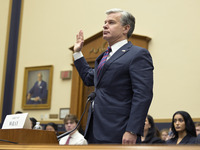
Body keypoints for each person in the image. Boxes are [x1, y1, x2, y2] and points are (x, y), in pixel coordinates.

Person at [73, 8, 154, 144]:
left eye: (111, 22)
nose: (105, 25)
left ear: (125, 28)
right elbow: (88, 78)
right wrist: (77, 53)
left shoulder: (137, 54)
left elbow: (143, 94)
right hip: (95, 129)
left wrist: (132, 130)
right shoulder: (104, 57)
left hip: (120, 131)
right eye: (105, 22)